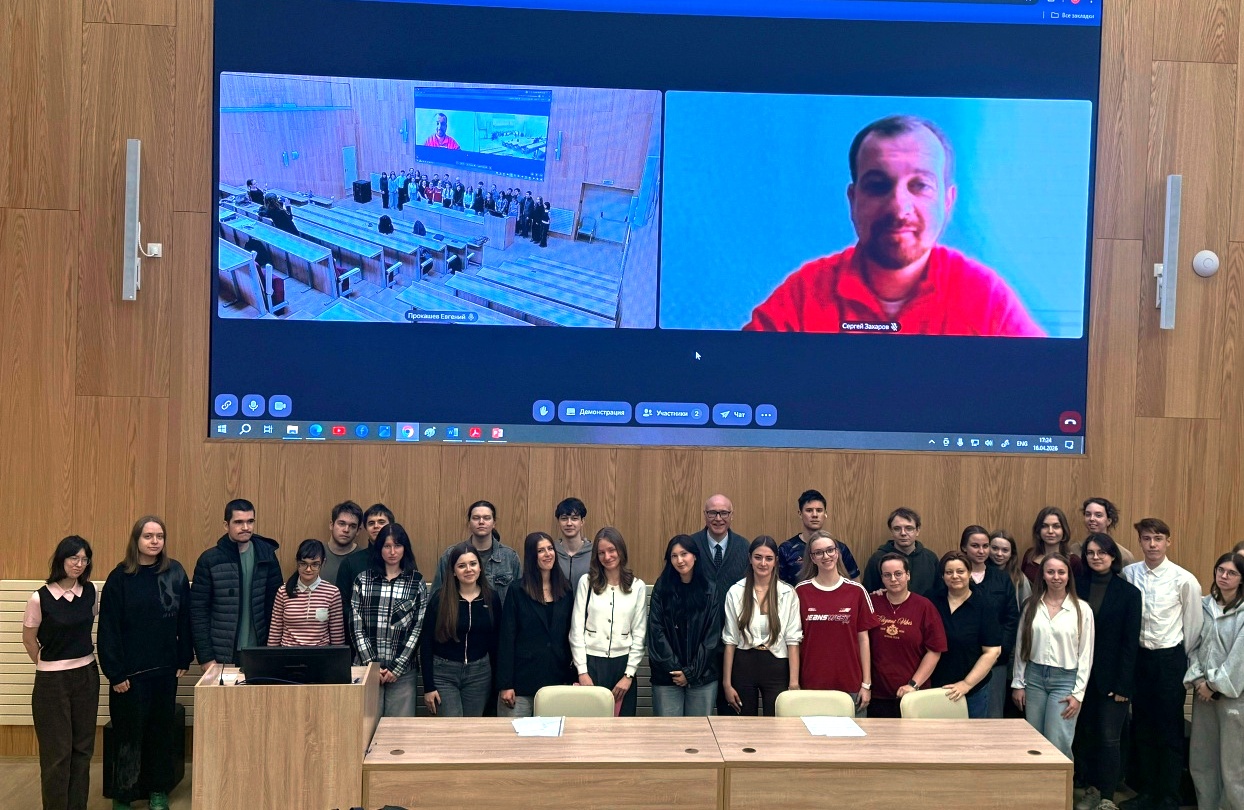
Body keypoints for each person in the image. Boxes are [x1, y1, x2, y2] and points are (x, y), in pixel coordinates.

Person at [743, 114, 1042, 336]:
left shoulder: (985, 300)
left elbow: (1038, 384)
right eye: (878, 185)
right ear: (853, 200)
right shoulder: (804, 295)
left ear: (948, 202)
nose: (899, 208)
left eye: (920, 185)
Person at [96, 517, 191, 810]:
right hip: (129, 675)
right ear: (136, 539)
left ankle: (157, 790)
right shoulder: (119, 578)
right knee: (128, 734)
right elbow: (108, 629)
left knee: (160, 733)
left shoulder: (175, 572)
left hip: (164, 670)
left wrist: (184, 656)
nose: (154, 541)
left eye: (159, 536)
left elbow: (185, 618)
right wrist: (115, 672)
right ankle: (124, 794)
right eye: (148, 536)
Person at [1120, 518, 1203, 810]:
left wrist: (1182, 661)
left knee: (1169, 729)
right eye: (1147, 538)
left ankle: (1169, 796)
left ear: (1168, 541)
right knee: (1142, 726)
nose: (1152, 544)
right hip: (1140, 659)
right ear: (1140, 542)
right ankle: (1146, 792)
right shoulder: (1129, 574)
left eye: (1158, 538)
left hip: (1169, 660)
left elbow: (1193, 626)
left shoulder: (1184, 579)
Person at [22, 536, 100, 810]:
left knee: (82, 750)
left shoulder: (90, 591)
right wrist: (50, 666)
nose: (79, 564)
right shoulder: (40, 598)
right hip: (52, 682)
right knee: (57, 755)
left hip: (87, 675)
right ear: (61, 559)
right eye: (73, 558)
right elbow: (29, 640)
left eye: (84, 559)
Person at [1074, 533, 1141, 810]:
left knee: (1109, 739)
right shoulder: (1075, 586)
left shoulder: (1129, 593)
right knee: (1085, 735)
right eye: (1090, 553)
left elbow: (1130, 643)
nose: (1096, 557)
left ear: (1113, 556)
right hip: (1079, 677)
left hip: (1113, 680)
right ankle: (1090, 789)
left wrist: (1124, 685)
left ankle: (1107, 797)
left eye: (1102, 552)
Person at [1012, 554, 1095, 758]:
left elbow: (1086, 654)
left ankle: (1062, 780)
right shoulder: (1031, 606)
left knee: (1058, 740)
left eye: (1061, 572)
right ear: (1043, 575)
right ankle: (1037, 780)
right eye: (1050, 572)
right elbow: (1021, 647)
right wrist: (1018, 683)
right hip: (1034, 678)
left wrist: (1078, 694)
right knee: (1034, 740)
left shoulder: (1082, 609)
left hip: (1065, 681)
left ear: (1069, 576)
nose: (1056, 577)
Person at [1184, 552, 1244, 810]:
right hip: (1203, 695)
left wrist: (1214, 685)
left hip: (1233, 697)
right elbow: (1193, 645)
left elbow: (1239, 657)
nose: (1224, 576)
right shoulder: (1204, 605)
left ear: (1241, 579)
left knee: (1233, 766)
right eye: (1220, 570)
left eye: (1232, 573)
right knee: (1202, 760)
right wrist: (1199, 680)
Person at [190, 499, 282, 667]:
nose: (246, 527)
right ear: (226, 525)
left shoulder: (267, 556)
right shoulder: (209, 560)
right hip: (222, 654)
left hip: (259, 650)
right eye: (239, 522)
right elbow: (198, 612)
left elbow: (276, 606)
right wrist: (206, 657)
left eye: (250, 521)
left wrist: (274, 650)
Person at [350, 524, 428, 717]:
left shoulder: (416, 582)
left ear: (405, 548)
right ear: (379, 549)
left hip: (403, 673)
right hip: (366, 669)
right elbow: (356, 626)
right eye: (387, 546)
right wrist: (373, 666)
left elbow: (418, 628)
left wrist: (396, 668)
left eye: (398, 546)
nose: (392, 552)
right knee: (364, 727)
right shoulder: (363, 580)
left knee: (399, 731)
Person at [796, 531, 879, 712]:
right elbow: (794, 641)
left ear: (837, 552)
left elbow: (864, 640)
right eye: (819, 553)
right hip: (811, 684)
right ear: (812, 558)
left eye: (830, 550)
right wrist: (795, 682)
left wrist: (866, 684)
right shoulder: (800, 592)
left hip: (850, 685)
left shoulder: (857, 591)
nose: (826, 556)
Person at [570, 527, 648, 716]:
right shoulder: (586, 582)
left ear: (621, 550)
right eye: (601, 553)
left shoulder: (637, 586)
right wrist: (582, 672)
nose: (607, 556)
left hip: (622, 666)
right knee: (589, 724)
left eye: (612, 550)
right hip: (591, 663)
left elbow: (639, 634)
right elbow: (576, 630)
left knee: (622, 725)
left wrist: (628, 675)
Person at [496, 532, 575, 718]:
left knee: (553, 735)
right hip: (521, 683)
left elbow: (571, 635)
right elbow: (507, 638)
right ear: (532, 556)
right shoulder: (517, 590)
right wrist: (505, 684)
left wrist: (572, 677)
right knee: (515, 735)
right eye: (541, 551)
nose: (547, 554)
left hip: (556, 681)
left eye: (550, 549)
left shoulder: (566, 589)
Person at [721, 536, 802, 716]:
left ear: (776, 561)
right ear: (750, 559)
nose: (763, 563)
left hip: (777, 665)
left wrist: (794, 683)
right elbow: (730, 640)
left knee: (776, 724)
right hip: (744, 664)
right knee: (745, 724)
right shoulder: (736, 591)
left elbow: (793, 640)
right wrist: (727, 684)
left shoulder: (788, 593)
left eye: (768, 558)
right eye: (758, 557)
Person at [421, 545, 501, 717]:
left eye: (473, 564)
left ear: (480, 567)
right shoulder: (440, 598)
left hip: (479, 674)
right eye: (462, 565)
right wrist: (428, 686)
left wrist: (499, 683)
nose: (468, 569)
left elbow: (496, 642)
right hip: (444, 673)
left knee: (471, 727)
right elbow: (426, 643)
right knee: (452, 727)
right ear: (454, 572)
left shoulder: (492, 598)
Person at [647, 535, 722, 716]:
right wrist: (677, 671)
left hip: (702, 676)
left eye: (684, 554)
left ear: (694, 556)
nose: (679, 560)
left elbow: (712, 637)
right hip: (667, 677)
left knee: (698, 731)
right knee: (669, 731)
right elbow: (656, 633)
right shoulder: (662, 588)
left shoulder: (710, 589)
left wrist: (691, 673)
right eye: (674, 556)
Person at [867, 552, 946, 718]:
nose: (893, 579)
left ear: (908, 575)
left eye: (898, 574)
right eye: (887, 575)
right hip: (877, 695)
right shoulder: (872, 603)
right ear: (882, 578)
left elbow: (934, 651)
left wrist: (913, 685)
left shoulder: (924, 606)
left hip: (914, 695)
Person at [954, 525, 1020, 718]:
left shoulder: (1001, 579)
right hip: (959, 660)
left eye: (985, 546)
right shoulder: (954, 577)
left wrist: (1000, 651)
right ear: (964, 547)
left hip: (994, 662)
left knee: (991, 718)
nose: (981, 551)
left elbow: (1011, 619)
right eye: (975, 546)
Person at [929, 551, 1002, 718]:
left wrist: (966, 684)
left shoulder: (985, 604)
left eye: (960, 571)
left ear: (969, 573)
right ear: (942, 576)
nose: (955, 576)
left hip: (972, 691)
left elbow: (992, 652)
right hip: (934, 687)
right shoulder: (931, 600)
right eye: (949, 572)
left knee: (970, 734)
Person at [431, 500, 521, 603]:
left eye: (487, 518)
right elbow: (435, 597)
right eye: (476, 518)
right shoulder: (450, 555)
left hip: (499, 613)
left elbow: (520, 599)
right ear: (469, 523)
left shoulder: (510, 557)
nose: (481, 522)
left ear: (494, 523)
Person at [337, 502, 397, 649]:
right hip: (358, 642)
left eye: (381, 522)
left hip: (395, 640)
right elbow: (343, 605)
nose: (376, 526)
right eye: (371, 523)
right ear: (365, 529)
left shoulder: (402, 561)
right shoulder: (351, 562)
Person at [268, 539, 345, 648]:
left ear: (323, 563)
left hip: (320, 654)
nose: (308, 569)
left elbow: (337, 636)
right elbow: (274, 633)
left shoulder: (332, 592)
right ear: (297, 563)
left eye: (315, 564)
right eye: (303, 564)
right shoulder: (283, 591)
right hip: (288, 653)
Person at [777, 489, 860, 585]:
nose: (815, 515)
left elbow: (856, 584)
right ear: (800, 514)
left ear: (825, 513)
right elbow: (779, 587)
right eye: (809, 510)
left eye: (819, 510)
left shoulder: (840, 548)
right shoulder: (786, 549)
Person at [862, 507, 940, 596]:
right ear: (891, 531)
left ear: (917, 530)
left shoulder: (930, 558)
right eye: (897, 528)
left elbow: (940, 593)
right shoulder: (878, 558)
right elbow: (866, 594)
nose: (903, 533)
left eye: (909, 528)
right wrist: (875, 594)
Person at [1022, 506, 1083, 584]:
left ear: (1064, 530)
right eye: (1045, 526)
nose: (1050, 531)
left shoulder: (1074, 561)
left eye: (1056, 526)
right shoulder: (1030, 555)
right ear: (1038, 530)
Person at [1077, 497, 1135, 565]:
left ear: (1108, 521)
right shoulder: (1075, 549)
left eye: (1098, 515)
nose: (1091, 519)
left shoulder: (1124, 555)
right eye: (1088, 514)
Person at [321, 500, 363, 586]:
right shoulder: (316, 553)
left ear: (358, 531)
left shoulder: (364, 558)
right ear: (331, 525)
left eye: (352, 526)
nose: (346, 530)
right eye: (342, 524)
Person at [553, 497, 592, 587]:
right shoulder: (551, 552)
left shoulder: (594, 553)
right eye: (564, 518)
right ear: (558, 521)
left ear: (582, 521)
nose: (569, 523)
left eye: (574, 518)